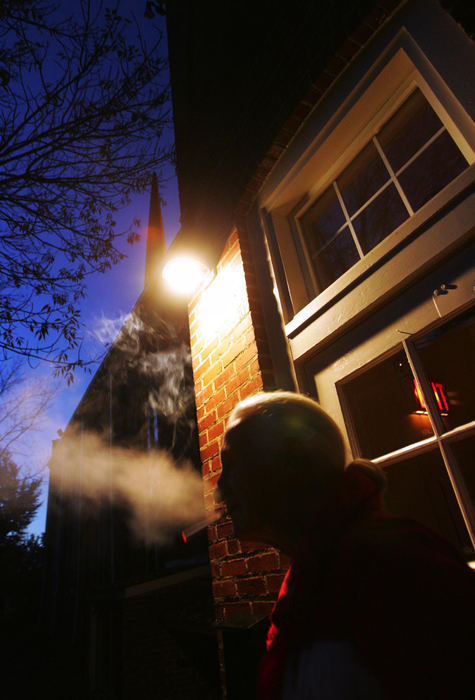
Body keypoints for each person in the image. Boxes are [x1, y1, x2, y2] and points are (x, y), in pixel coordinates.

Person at [218, 391, 475, 700]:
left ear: (291, 459)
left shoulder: (396, 566)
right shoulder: (313, 573)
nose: (220, 487)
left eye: (231, 464)